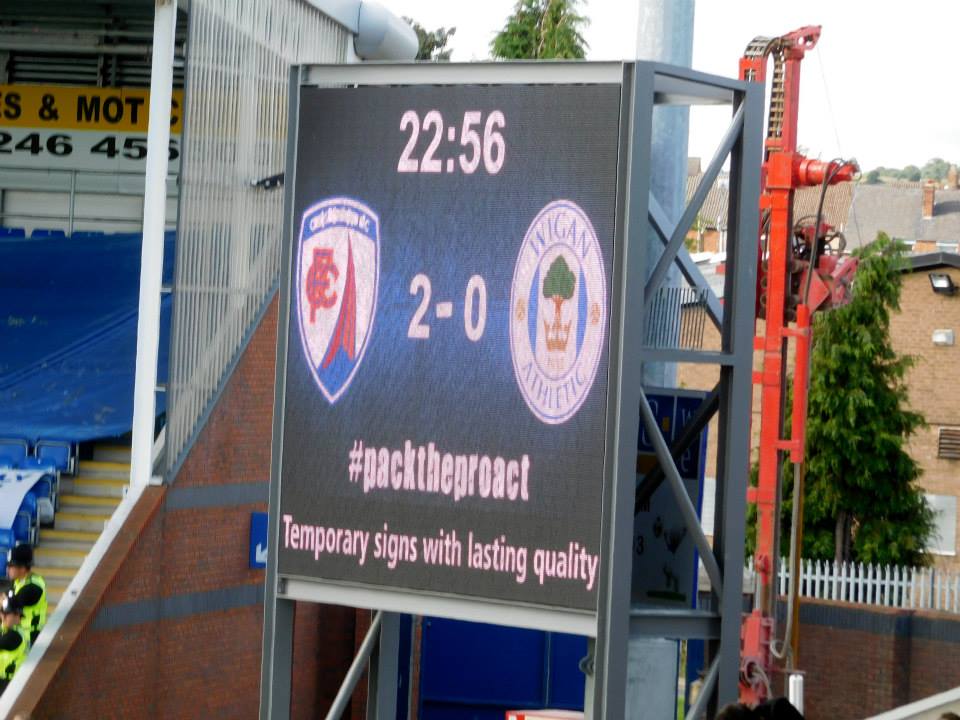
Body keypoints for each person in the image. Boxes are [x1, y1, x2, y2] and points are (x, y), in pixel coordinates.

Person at [6, 546, 46, 645]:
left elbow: (11, 605)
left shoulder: (33, 587)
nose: (7, 569)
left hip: (31, 638)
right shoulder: (17, 582)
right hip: (20, 634)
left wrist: (4, 601)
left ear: (23, 568)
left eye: (11, 566)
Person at [0, 596, 27, 694]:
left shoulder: (14, 636)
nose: (3, 616)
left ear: (17, 615)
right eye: (2, 613)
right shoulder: (7, 630)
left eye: (6, 614)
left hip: (10, 686)